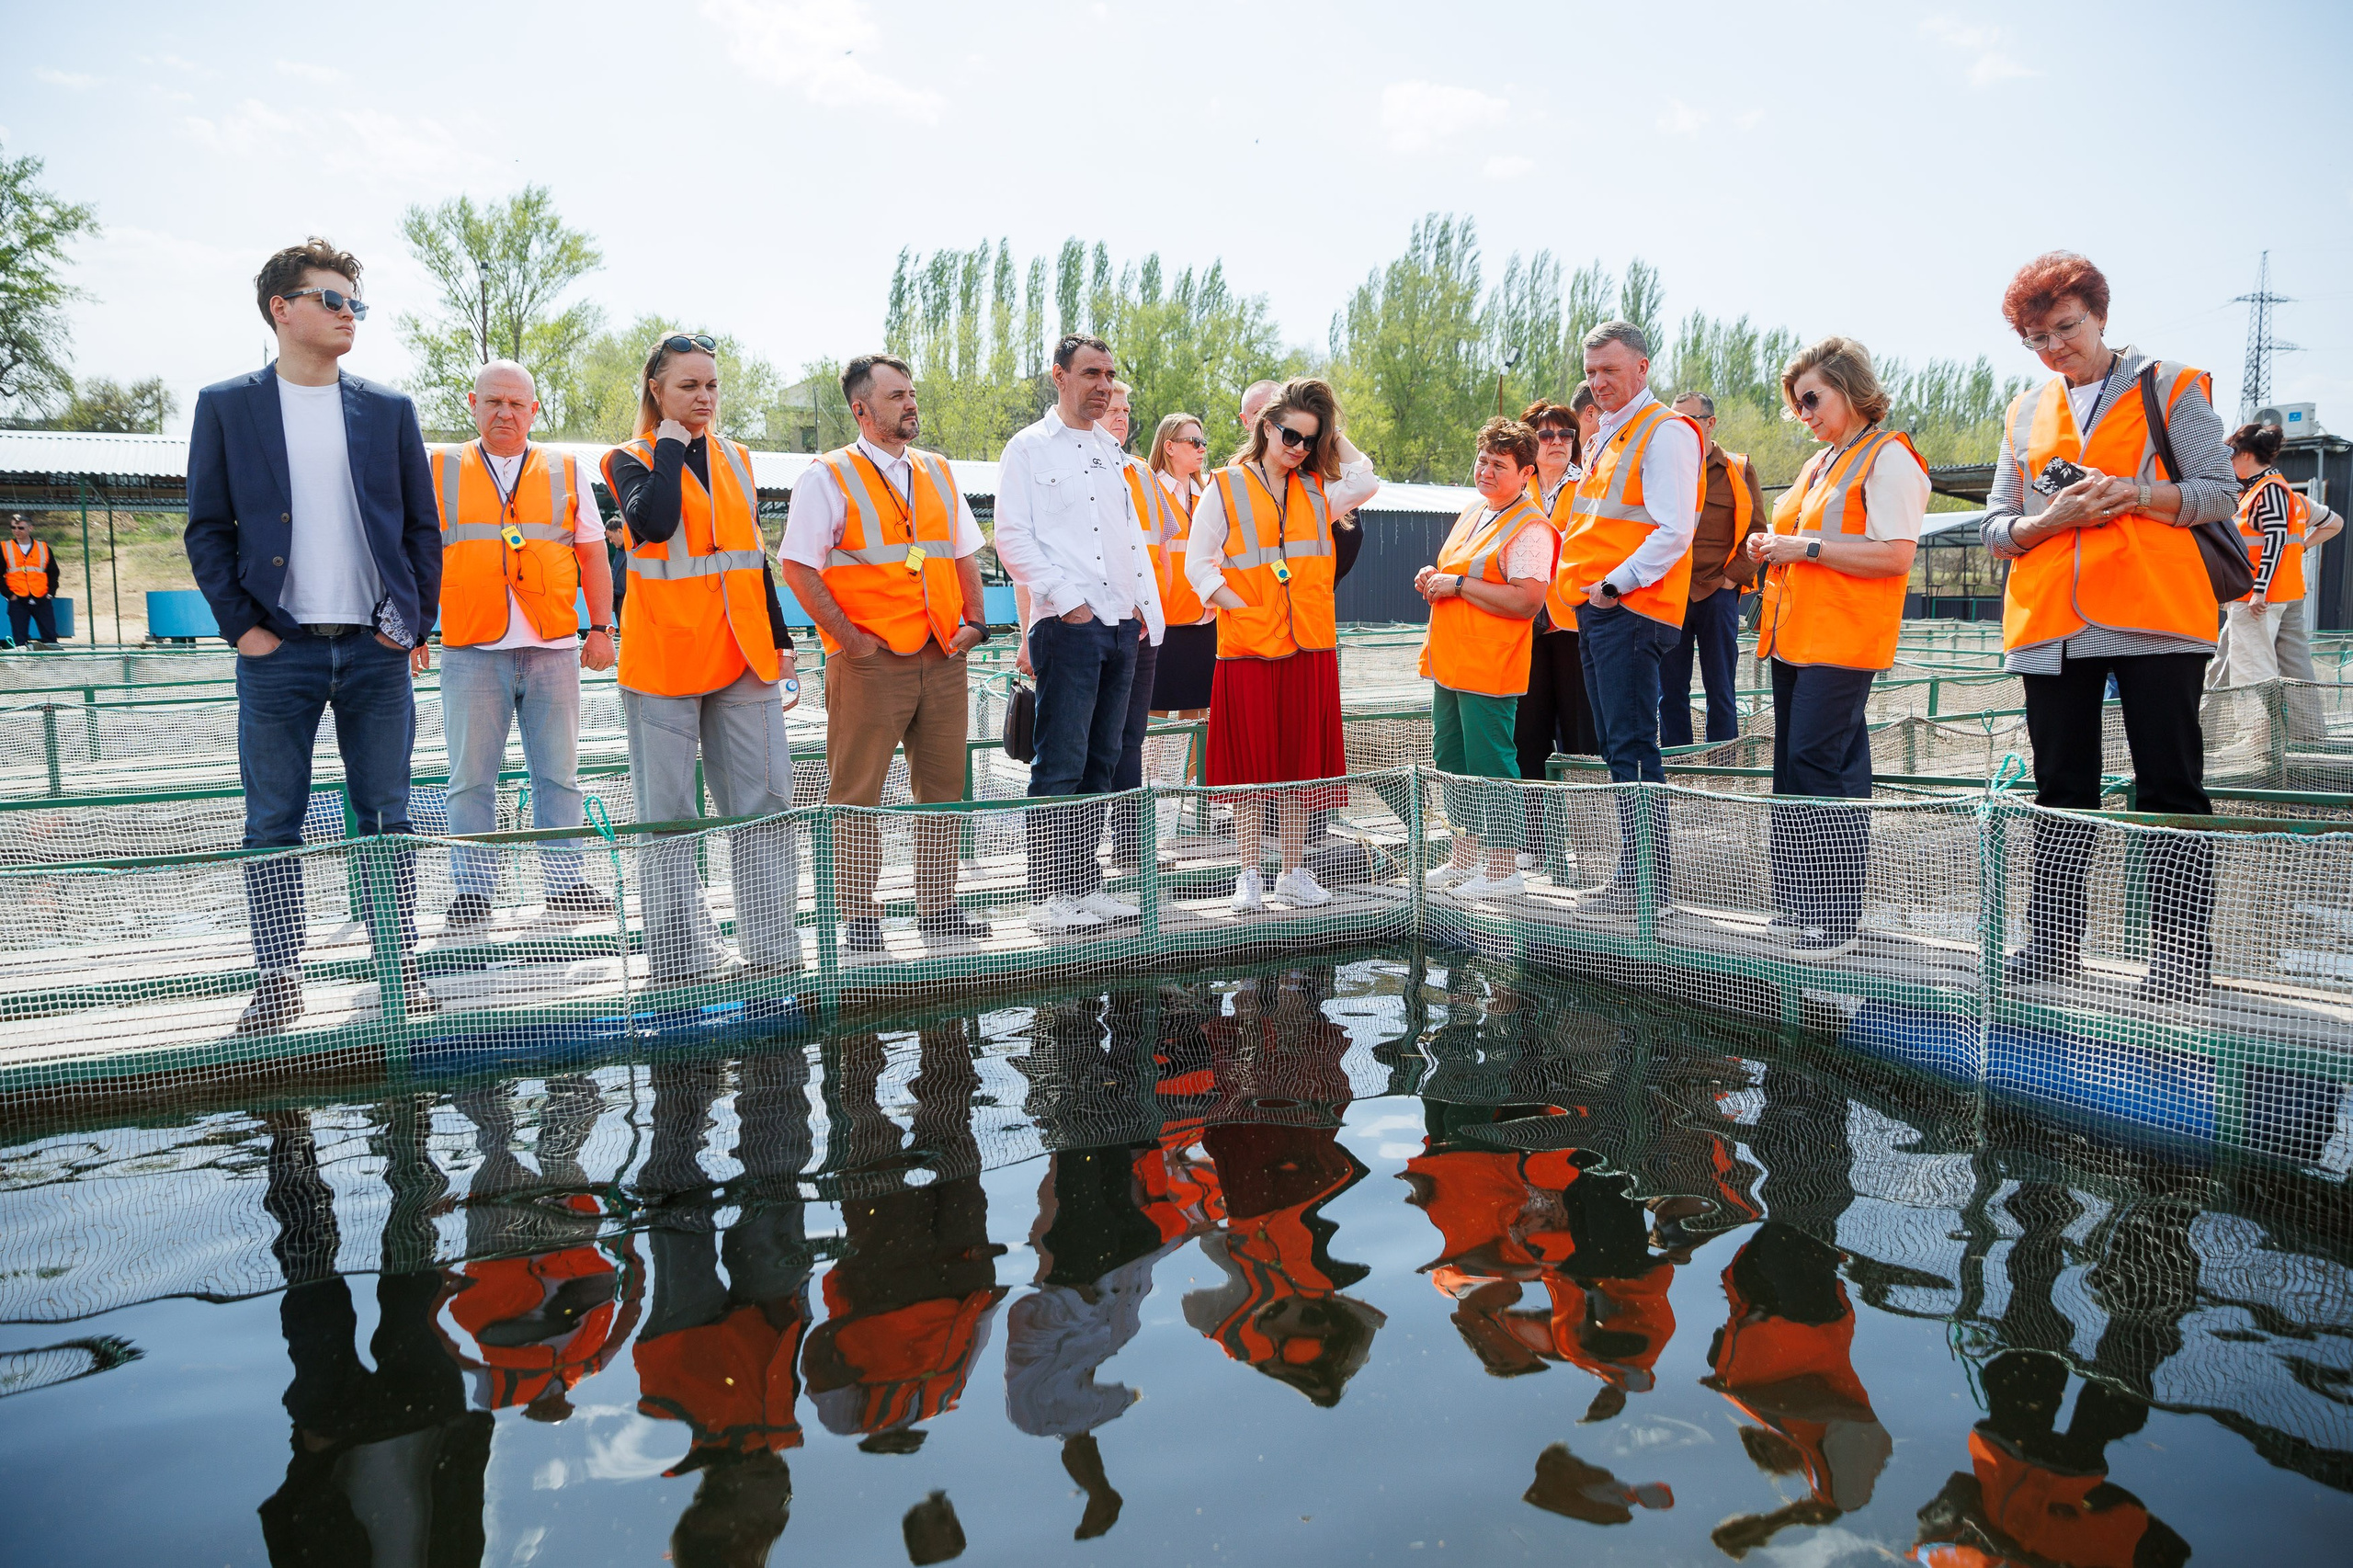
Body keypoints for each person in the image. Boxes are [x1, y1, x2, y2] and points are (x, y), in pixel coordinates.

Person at [184, 238, 441, 1037]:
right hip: (278, 651)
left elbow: (423, 531)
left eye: (355, 304)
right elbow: (206, 530)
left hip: (375, 650)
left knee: (388, 817)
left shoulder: (389, 409)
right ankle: (278, 979)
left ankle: (399, 975)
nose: (347, 316)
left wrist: (412, 625)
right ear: (281, 309)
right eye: (331, 301)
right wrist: (245, 631)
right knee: (272, 823)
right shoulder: (227, 405)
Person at [1981, 252, 2236, 1004]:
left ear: (2099, 315)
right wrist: (2044, 520)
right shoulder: (2025, 410)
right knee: (2061, 787)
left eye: (2067, 328)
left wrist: (2137, 493)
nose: (2055, 346)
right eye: (2037, 337)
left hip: (2155, 614)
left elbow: (2219, 493)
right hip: (2051, 621)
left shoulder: (2170, 384)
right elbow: (1997, 524)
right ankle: (2053, 945)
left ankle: (2182, 957)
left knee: (2169, 787)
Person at [600, 334, 801, 984]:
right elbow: (654, 525)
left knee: (765, 809)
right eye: (688, 386)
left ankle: (772, 954)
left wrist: (781, 641)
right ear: (656, 391)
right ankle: (681, 962)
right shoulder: (627, 458)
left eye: (711, 385)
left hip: (744, 656)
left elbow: (754, 564)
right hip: (665, 662)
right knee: (668, 820)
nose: (704, 398)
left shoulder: (739, 458)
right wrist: (669, 443)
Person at [779, 353, 990, 954]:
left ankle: (938, 908)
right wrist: (851, 641)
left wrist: (975, 623)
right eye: (897, 396)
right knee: (856, 796)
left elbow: (963, 553)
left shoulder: (937, 471)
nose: (911, 403)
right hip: (869, 664)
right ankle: (860, 919)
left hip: (944, 654)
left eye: (912, 393)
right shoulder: (826, 476)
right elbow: (797, 566)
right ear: (862, 410)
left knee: (944, 790)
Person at [1746, 339, 1927, 960]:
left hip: (1844, 639)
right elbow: (1803, 540)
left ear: (1849, 388)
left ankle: (1835, 915)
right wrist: (1773, 548)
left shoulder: (1890, 458)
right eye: (1798, 405)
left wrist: (1807, 549)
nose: (1806, 413)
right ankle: (1796, 904)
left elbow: (1897, 555)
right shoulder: (1820, 462)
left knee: (1822, 767)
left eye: (1813, 399)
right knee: (1795, 770)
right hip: (1796, 637)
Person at [430, 360, 617, 933]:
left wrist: (602, 627)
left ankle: (566, 887)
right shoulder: (438, 467)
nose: (504, 413)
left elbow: (591, 554)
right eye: (493, 402)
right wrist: (415, 630)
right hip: (469, 648)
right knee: (469, 778)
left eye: (516, 403)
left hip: (552, 645)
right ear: (472, 403)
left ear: (535, 410)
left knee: (559, 774)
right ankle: (472, 894)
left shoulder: (565, 468)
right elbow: (413, 553)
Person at [1187, 378, 1381, 912]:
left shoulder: (1320, 489)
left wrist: (1333, 437)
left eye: (1309, 441)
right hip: (1248, 647)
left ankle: (1293, 872)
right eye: (1290, 435)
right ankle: (1248, 874)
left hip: (1310, 644)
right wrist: (1239, 604)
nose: (1297, 448)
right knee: (1251, 769)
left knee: (1301, 767)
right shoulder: (1223, 485)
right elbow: (1197, 564)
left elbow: (1367, 479)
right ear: (1265, 426)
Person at [994, 335, 1165, 935]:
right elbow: (1012, 539)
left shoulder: (1110, 453)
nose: (1103, 384)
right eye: (1091, 372)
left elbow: (1125, 539)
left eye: (1109, 374)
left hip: (1120, 625)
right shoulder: (1028, 449)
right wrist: (1069, 605)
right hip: (1069, 625)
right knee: (1060, 760)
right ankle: (1048, 895)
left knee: (1102, 759)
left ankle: (1083, 886)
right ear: (1059, 377)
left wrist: (1141, 608)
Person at [1543, 322, 1704, 921]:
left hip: (1629, 611)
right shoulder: (1610, 435)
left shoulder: (1663, 433)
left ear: (1642, 368)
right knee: (1619, 746)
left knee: (1633, 747)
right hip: (1600, 612)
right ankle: (1633, 880)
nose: (1598, 382)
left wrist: (1614, 586)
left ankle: (1647, 888)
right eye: (1590, 372)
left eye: (1609, 370)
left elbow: (1673, 530)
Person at [1417, 418, 1552, 901]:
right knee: (1451, 759)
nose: (1487, 471)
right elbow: (1464, 570)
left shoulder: (1532, 527)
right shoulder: (1475, 511)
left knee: (1490, 764)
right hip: (1451, 660)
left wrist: (1455, 584)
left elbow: (1527, 601)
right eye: (1483, 461)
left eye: (1499, 465)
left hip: (1490, 666)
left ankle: (1502, 868)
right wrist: (1436, 576)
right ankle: (1463, 859)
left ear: (1526, 473)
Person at [1664, 392, 1767, 747]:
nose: (1682, 430)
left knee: (1720, 686)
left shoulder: (1738, 468)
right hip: (1670, 593)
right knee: (1668, 688)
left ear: (1710, 423)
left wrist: (1729, 580)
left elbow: (1757, 532)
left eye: (1691, 421)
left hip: (1718, 595)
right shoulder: (1663, 466)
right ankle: (1678, 761)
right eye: (1675, 422)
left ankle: (1723, 762)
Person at [2211, 420, 2343, 694]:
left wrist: (2259, 589)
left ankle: (2258, 734)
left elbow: (2275, 539)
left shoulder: (2266, 492)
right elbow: (2334, 523)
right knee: (2292, 667)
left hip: (2258, 598)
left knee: (2251, 670)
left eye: (2231, 455)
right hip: (2286, 592)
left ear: (2246, 454)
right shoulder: (2288, 495)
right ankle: (2307, 732)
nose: (2229, 463)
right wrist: (2303, 547)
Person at [1100, 381, 1166, 869]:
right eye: (1112, 408)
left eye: (1126, 408)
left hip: (1142, 628)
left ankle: (1129, 847)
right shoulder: (1072, 463)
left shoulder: (1141, 471)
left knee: (1131, 737)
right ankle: (1077, 865)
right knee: (1088, 743)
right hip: (1096, 625)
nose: (1121, 416)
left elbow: (1160, 550)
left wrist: (1152, 609)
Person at [1144, 412, 1215, 722]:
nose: (1202, 448)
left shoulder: (1210, 493)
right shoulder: (1149, 488)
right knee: (1154, 708)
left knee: (1199, 708)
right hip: (1162, 620)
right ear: (1169, 446)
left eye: (1203, 443)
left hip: (1204, 617)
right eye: (1194, 442)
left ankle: (1192, 774)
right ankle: (1154, 774)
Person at [2, 514, 62, 648]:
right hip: (17, 599)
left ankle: (54, 662)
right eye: (13, 527)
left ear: (30, 528)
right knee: (20, 637)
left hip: (41, 597)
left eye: (21, 528)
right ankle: (24, 664)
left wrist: (50, 593)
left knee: (50, 635)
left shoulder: (43, 548)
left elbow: (53, 573)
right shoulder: (5, 548)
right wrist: (10, 595)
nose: (16, 531)